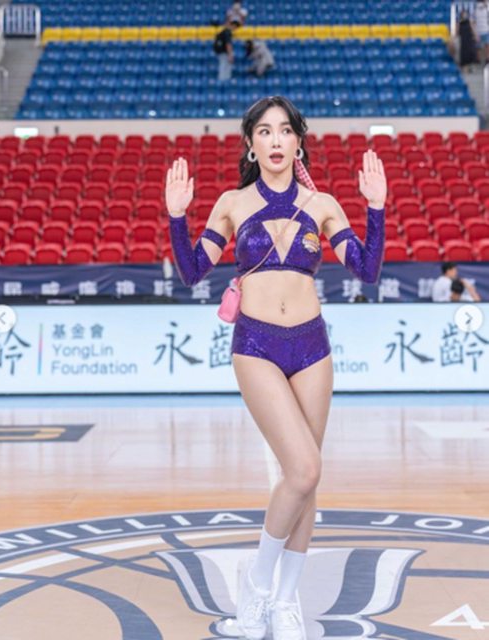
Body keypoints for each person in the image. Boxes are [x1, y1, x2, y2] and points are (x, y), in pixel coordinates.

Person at [166, 96, 386, 640]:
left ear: (298, 142)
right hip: (256, 345)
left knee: (305, 479)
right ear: (251, 144)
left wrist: (376, 208)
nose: (275, 140)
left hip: (312, 348)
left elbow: (367, 270)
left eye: (285, 130)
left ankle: (286, 601)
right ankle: (258, 585)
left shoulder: (322, 204)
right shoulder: (232, 203)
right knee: (304, 469)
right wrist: (176, 217)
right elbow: (192, 271)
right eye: (264, 131)